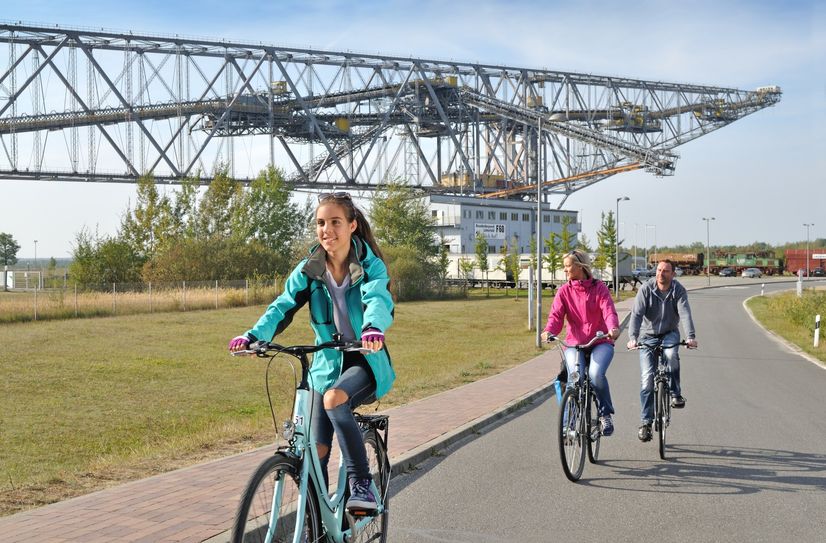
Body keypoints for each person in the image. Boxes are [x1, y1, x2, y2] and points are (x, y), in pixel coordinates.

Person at [228, 191, 394, 515]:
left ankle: (362, 484)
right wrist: (253, 336)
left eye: (335, 222)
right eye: (321, 223)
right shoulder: (310, 268)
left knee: (335, 400)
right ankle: (315, 525)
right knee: (313, 451)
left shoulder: (369, 266)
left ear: (352, 226)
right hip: (325, 364)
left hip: (365, 358)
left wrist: (373, 327)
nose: (326, 230)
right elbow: (283, 305)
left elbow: (378, 299)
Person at [541, 250, 621, 436]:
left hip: (600, 340)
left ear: (580, 266)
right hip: (574, 343)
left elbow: (608, 310)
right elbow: (556, 316)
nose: (565, 269)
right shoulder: (564, 291)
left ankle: (605, 415)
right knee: (574, 378)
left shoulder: (599, 287)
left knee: (595, 374)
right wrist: (549, 331)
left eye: (568, 265)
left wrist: (613, 328)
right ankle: (568, 425)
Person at [626, 258, 697, 442]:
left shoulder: (678, 290)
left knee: (671, 354)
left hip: (669, 333)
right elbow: (636, 314)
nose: (661, 274)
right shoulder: (646, 289)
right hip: (647, 336)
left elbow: (685, 313)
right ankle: (645, 423)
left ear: (673, 274)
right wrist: (632, 338)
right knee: (647, 380)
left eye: (665, 271)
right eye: (658, 270)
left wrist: (690, 336)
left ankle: (675, 393)